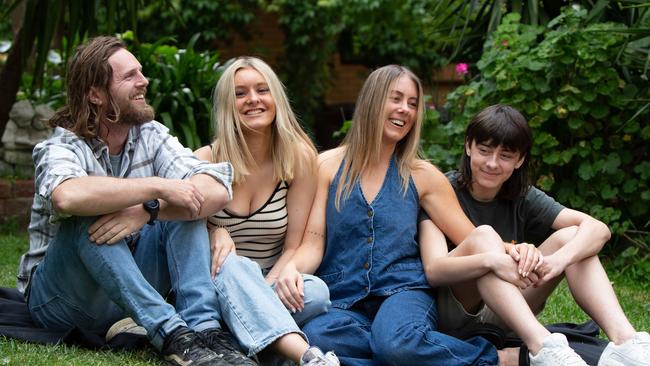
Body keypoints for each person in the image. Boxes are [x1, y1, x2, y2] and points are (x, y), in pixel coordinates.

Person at [15, 36, 305, 366]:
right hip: (61, 300)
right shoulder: (61, 146)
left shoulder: (149, 134)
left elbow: (216, 189)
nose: (144, 82)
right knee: (91, 215)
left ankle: (207, 331)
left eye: (141, 72)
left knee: (187, 203)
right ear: (95, 94)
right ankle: (172, 336)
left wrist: (150, 210)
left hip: (127, 289)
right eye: (129, 76)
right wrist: (157, 187)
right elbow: (68, 196)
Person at [274, 65, 502, 366]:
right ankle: (410, 356)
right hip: (343, 300)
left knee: (395, 342)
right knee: (317, 337)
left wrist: (516, 250)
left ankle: (496, 358)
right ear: (372, 100)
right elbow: (313, 244)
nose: (404, 109)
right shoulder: (327, 167)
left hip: (404, 293)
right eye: (396, 99)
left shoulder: (422, 175)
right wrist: (291, 269)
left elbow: (470, 237)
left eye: (412, 103)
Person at [419, 104, 650, 366]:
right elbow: (434, 270)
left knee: (571, 236)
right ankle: (545, 349)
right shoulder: (442, 191)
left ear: (519, 160)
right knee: (485, 238)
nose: (493, 163)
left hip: (508, 313)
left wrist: (557, 261)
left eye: (505, 156)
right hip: (456, 315)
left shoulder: (521, 195)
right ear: (468, 146)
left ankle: (626, 343)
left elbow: (598, 229)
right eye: (484, 151)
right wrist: (495, 258)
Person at [194, 56, 338, 365]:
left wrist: (272, 283)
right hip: (215, 285)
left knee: (317, 293)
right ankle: (305, 357)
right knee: (235, 266)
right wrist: (212, 232)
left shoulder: (297, 158)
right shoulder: (204, 162)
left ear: (276, 98)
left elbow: (294, 246)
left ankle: (235, 340)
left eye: (262, 90)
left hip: (268, 279)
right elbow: (178, 229)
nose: (253, 100)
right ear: (226, 105)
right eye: (240, 93)